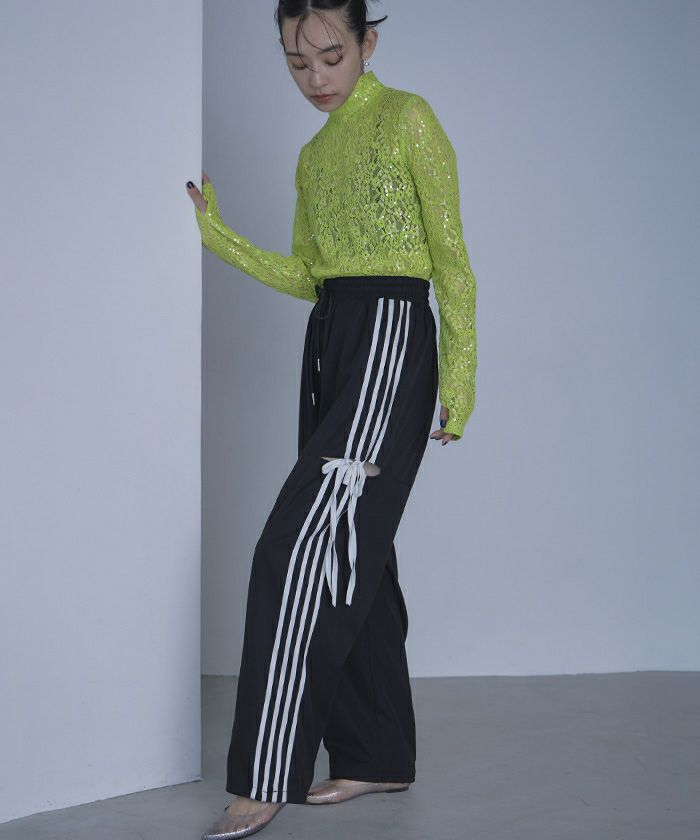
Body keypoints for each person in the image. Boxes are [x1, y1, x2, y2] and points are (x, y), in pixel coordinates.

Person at [187, 2, 477, 837]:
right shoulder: (313, 156)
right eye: (296, 62)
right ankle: (377, 754)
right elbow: (310, 274)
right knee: (358, 555)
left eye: (330, 55)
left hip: (390, 335)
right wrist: (218, 237)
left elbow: (452, 260)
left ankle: (265, 772)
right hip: (332, 340)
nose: (315, 77)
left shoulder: (408, 118)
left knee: (298, 547)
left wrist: (460, 376)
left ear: (367, 43)